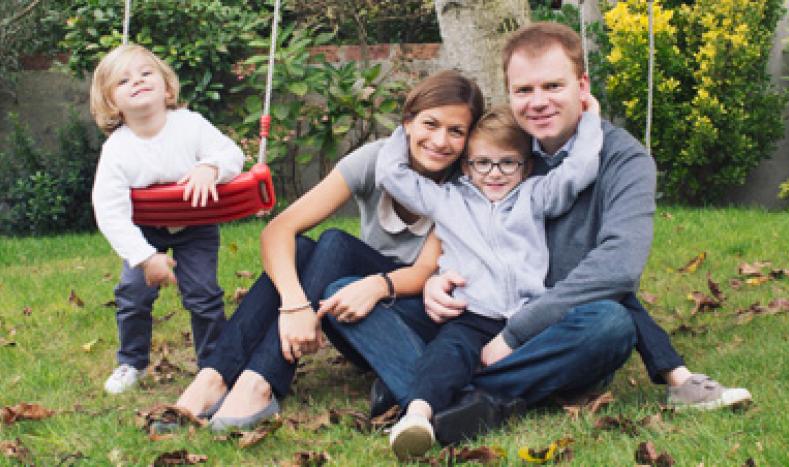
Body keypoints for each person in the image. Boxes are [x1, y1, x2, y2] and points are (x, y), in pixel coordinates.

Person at [324, 21, 751, 446]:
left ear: (582, 86)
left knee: (611, 323)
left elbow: (616, 269)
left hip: (547, 324)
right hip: (467, 313)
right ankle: (473, 398)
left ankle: (438, 392)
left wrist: (514, 335)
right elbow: (431, 202)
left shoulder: (614, 165)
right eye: (525, 91)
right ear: (508, 95)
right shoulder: (496, 147)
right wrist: (434, 278)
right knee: (348, 296)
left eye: (553, 86)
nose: (539, 102)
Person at [163, 70, 484, 432]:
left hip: (418, 317)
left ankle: (259, 383)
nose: (440, 141)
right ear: (408, 122)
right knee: (299, 247)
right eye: (430, 123)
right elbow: (278, 230)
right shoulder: (376, 160)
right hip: (351, 309)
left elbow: (426, 270)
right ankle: (214, 377)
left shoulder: (467, 183)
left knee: (333, 243)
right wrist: (295, 303)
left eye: (456, 131)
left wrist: (379, 285)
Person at [376, 105, 602, 459]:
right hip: (472, 313)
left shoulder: (536, 195)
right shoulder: (447, 200)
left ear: (526, 166)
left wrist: (589, 118)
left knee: (576, 336)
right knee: (446, 354)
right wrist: (406, 125)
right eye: (482, 163)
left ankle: (469, 396)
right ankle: (417, 416)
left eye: (507, 162)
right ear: (466, 166)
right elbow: (391, 173)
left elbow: (580, 169)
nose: (494, 173)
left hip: (528, 316)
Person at [90, 44, 244, 395]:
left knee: (203, 294)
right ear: (111, 102)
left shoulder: (190, 125)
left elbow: (233, 154)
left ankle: (213, 363)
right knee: (133, 295)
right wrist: (144, 256)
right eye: (124, 80)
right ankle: (131, 361)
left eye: (146, 73)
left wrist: (211, 167)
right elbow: (109, 209)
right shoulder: (117, 148)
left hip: (196, 226)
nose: (138, 81)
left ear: (167, 88)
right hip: (145, 231)